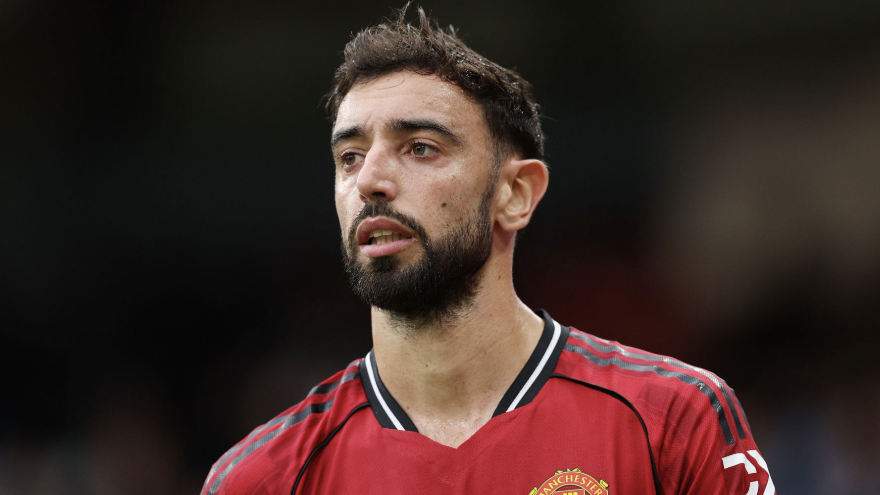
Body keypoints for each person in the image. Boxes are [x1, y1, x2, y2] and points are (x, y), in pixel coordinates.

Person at [201, 6, 775, 495]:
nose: (369, 180)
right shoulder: (261, 479)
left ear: (515, 194)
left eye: (419, 147)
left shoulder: (673, 421)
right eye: (349, 157)